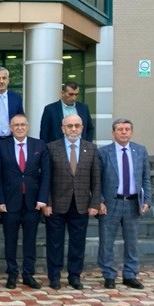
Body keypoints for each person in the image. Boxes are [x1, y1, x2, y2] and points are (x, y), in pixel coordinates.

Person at [44, 115, 101, 290]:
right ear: (63, 128)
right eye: (69, 126)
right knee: (55, 243)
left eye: (77, 125)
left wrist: (95, 203)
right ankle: (54, 276)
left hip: (81, 204)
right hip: (56, 205)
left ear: (82, 128)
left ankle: (74, 276)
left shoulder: (91, 148)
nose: (73, 129)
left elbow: (96, 179)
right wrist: (47, 203)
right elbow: (46, 179)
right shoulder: (51, 148)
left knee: (78, 243)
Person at [0, 114, 50, 289]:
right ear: (10, 128)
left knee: (30, 240)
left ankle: (28, 274)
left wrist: (42, 198)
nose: (19, 128)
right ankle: (12, 274)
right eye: (16, 125)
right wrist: (0, 200)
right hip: (9, 202)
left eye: (22, 125)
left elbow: (46, 175)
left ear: (28, 126)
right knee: (10, 240)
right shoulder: (1, 146)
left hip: (32, 203)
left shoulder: (39, 145)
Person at [98, 119, 152, 289]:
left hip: (133, 203)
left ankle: (130, 274)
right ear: (113, 132)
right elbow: (96, 180)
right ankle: (109, 275)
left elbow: (146, 178)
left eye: (127, 129)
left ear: (131, 132)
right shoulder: (103, 152)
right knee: (106, 241)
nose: (123, 132)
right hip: (110, 204)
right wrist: (99, 200)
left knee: (132, 242)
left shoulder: (140, 150)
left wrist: (147, 200)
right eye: (120, 129)